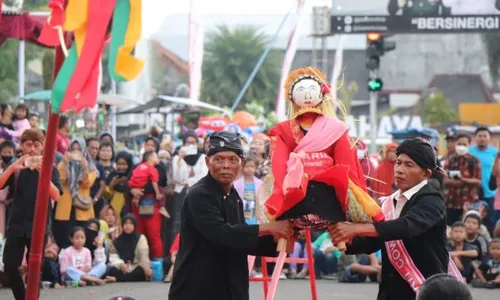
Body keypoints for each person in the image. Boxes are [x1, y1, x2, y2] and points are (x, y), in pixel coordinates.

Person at [328, 137, 462, 300]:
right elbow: (374, 241)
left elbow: (407, 226)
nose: (399, 169)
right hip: (392, 292)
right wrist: (348, 239)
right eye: (398, 163)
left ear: (425, 173)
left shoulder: (432, 199)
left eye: (408, 165)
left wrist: (356, 228)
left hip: (425, 289)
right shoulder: (390, 201)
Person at [168, 131, 294, 300]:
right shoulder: (199, 194)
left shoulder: (232, 194)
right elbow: (220, 234)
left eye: (233, 159)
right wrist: (268, 228)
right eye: (219, 159)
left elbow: (239, 239)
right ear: (207, 162)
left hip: (230, 286)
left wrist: (279, 237)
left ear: (241, 163)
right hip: (198, 287)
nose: (226, 165)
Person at [0, 129, 62, 300]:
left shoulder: (51, 168)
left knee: (35, 269)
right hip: (16, 223)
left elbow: (56, 196)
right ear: (21, 146)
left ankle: (32, 297)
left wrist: (42, 172)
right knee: (10, 265)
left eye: (36, 145)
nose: (32, 149)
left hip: (39, 224)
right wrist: (13, 167)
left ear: (43, 147)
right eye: (28, 145)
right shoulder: (16, 167)